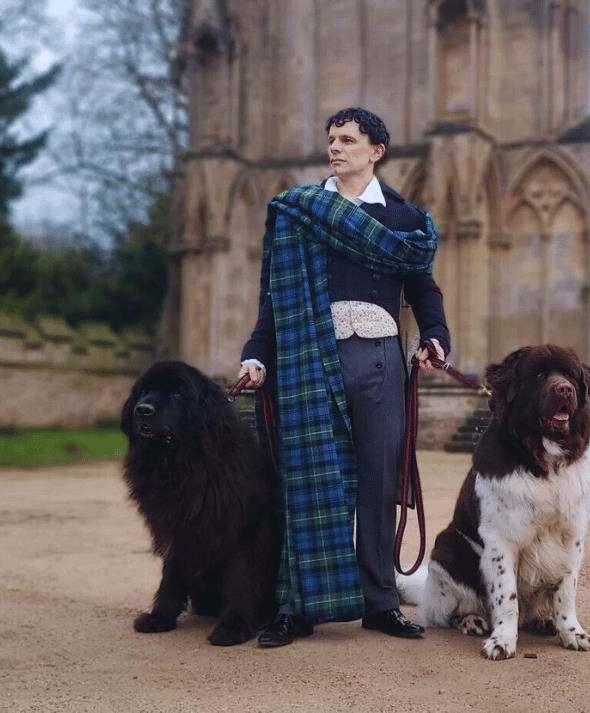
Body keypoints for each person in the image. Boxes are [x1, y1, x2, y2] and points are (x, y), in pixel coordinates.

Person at [238, 107, 451, 647]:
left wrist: (435, 336)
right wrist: (257, 354)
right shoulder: (299, 211)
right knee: (308, 480)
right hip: (309, 363)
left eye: (348, 140)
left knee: (380, 482)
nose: (336, 148)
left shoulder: (404, 220)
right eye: (332, 139)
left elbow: (423, 289)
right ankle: (298, 607)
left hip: (380, 363)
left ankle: (379, 602)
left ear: (376, 151)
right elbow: (274, 298)